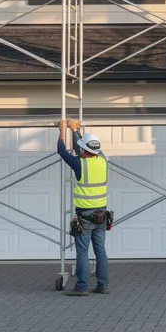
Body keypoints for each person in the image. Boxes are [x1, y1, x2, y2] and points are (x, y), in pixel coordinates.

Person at [56, 118, 109, 295]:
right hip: (102, 214)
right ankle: (103, 285)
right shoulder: (102, 159)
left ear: (84, 151)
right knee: (100, 250)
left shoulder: (80, 164)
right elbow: (82, 148)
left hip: (85, 216)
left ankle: (82, 287)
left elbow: (62, 151)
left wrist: (63, 130)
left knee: (82, 251)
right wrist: (75, 130)